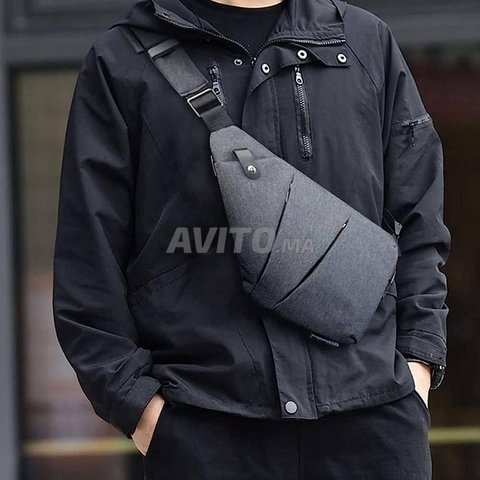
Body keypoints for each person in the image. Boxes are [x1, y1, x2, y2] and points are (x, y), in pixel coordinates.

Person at [52, 0, 451, 478]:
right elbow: (87, 260)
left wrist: (418, 364)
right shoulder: (119, 60)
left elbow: (419, 218)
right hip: (204, 425)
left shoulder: (364, 41)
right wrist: (143, 411)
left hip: (373, 421)